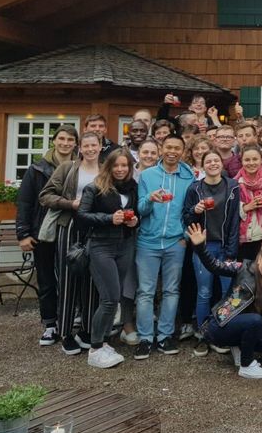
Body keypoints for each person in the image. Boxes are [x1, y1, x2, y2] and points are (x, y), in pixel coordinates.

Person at [186, 223, 262, 379]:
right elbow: (215, 266)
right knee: (254, 319)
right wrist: (200, 247)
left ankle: (239, 346)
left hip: (247, 325)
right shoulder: (242, 268)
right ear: (259, 260)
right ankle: (246, 365)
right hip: (220, 324)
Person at [40, 131, 104, 354]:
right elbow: (45, 195)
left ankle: (86, 330)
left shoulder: (105, 170)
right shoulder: (67, 168)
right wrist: (70, 203)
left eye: (94, 145)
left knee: (92, 281)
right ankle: (66, 331)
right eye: (86, 145)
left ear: (100, 145)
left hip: (96, 230)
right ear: (80, 147)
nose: (90, 149)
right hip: (69, 227)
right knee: (68, 281)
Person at [135, 133, 196, 360]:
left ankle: (165, 335)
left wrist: (185, 237)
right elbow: (140, 209)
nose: (172, 152)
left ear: (183, 151)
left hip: (175, 241)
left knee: (171, 290)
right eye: (168, 147)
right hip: (148, 241)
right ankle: (144, 338)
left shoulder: (188, 176)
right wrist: (150, 199)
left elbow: (190, 211)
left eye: (177, 148)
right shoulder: (148, 175)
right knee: (145, 291)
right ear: (161, 149)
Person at [16, 124, 78, 347]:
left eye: (70, 140)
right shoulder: (37, 169)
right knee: (47, 279)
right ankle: (50, 324)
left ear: (75, 143)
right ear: (54, 140)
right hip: (43, 230)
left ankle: (70, 320)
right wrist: (23, 233)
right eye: (62, 138)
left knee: (72, 278)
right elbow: (24, 202)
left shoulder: (81, 166)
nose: (65, 143)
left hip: (73, 230)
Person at [77, 149, 139, 368]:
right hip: (101, 245)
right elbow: (82, 216)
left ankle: (103, 342)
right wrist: (108, 218)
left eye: (125, 166)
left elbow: (134, 213)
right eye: (116, 165)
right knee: (109, 298)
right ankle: (94, 349)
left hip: (125, 245)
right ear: (109, 166)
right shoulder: (94, 188)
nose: (120, 170)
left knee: (116, 295)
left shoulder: (132, 187)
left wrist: (134, 222)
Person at [182, 151, 241, 352]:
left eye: (216, 160)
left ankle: (224, 332)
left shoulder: (232, 186)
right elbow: (186, 218)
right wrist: (195, 211)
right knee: (204, 292)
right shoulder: (195, 189)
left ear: (221, 163)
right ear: (203, 165)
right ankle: (203, 335)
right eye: (209, 161)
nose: (213, 164)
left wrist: (232, 249)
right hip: (204, 246)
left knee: (227, 292)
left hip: (226, 246)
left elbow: (234, 220)